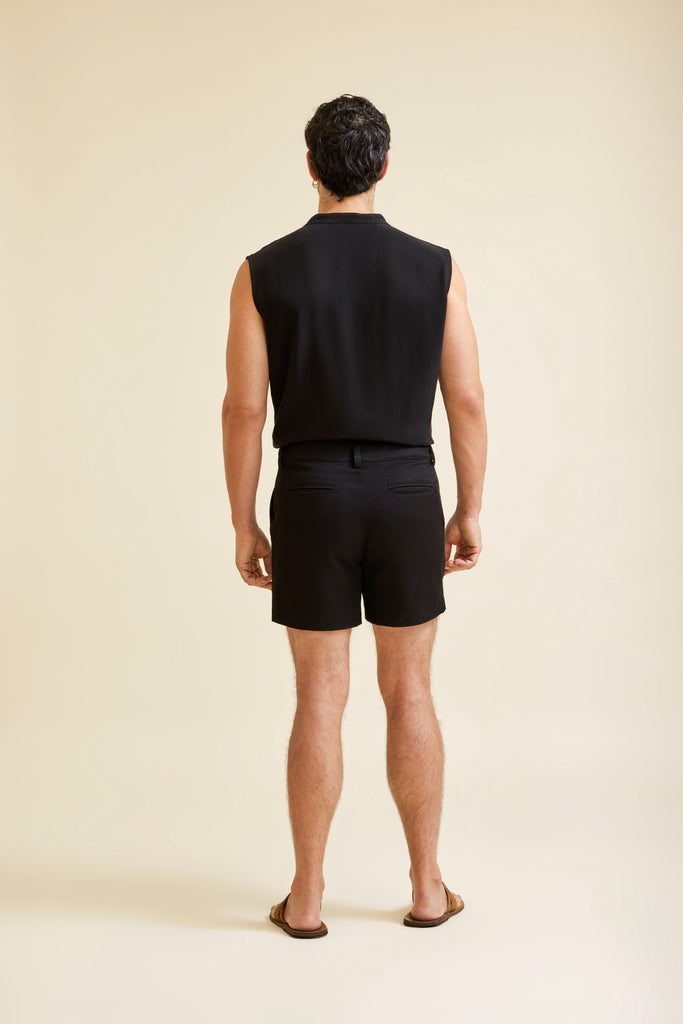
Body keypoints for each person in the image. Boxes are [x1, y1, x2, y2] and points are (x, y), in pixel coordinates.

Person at [221, 94, 487, 938]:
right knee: (409, 690)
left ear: (311, 168)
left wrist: (243, 522)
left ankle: (305, 898)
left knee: (318, 696)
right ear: (383, 167)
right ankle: (425, 888)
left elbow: (243, 409)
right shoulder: (435, 267)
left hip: (310, 496)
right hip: (407, 491)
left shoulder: (262, 270)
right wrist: (469, 506)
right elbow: (467, 399)